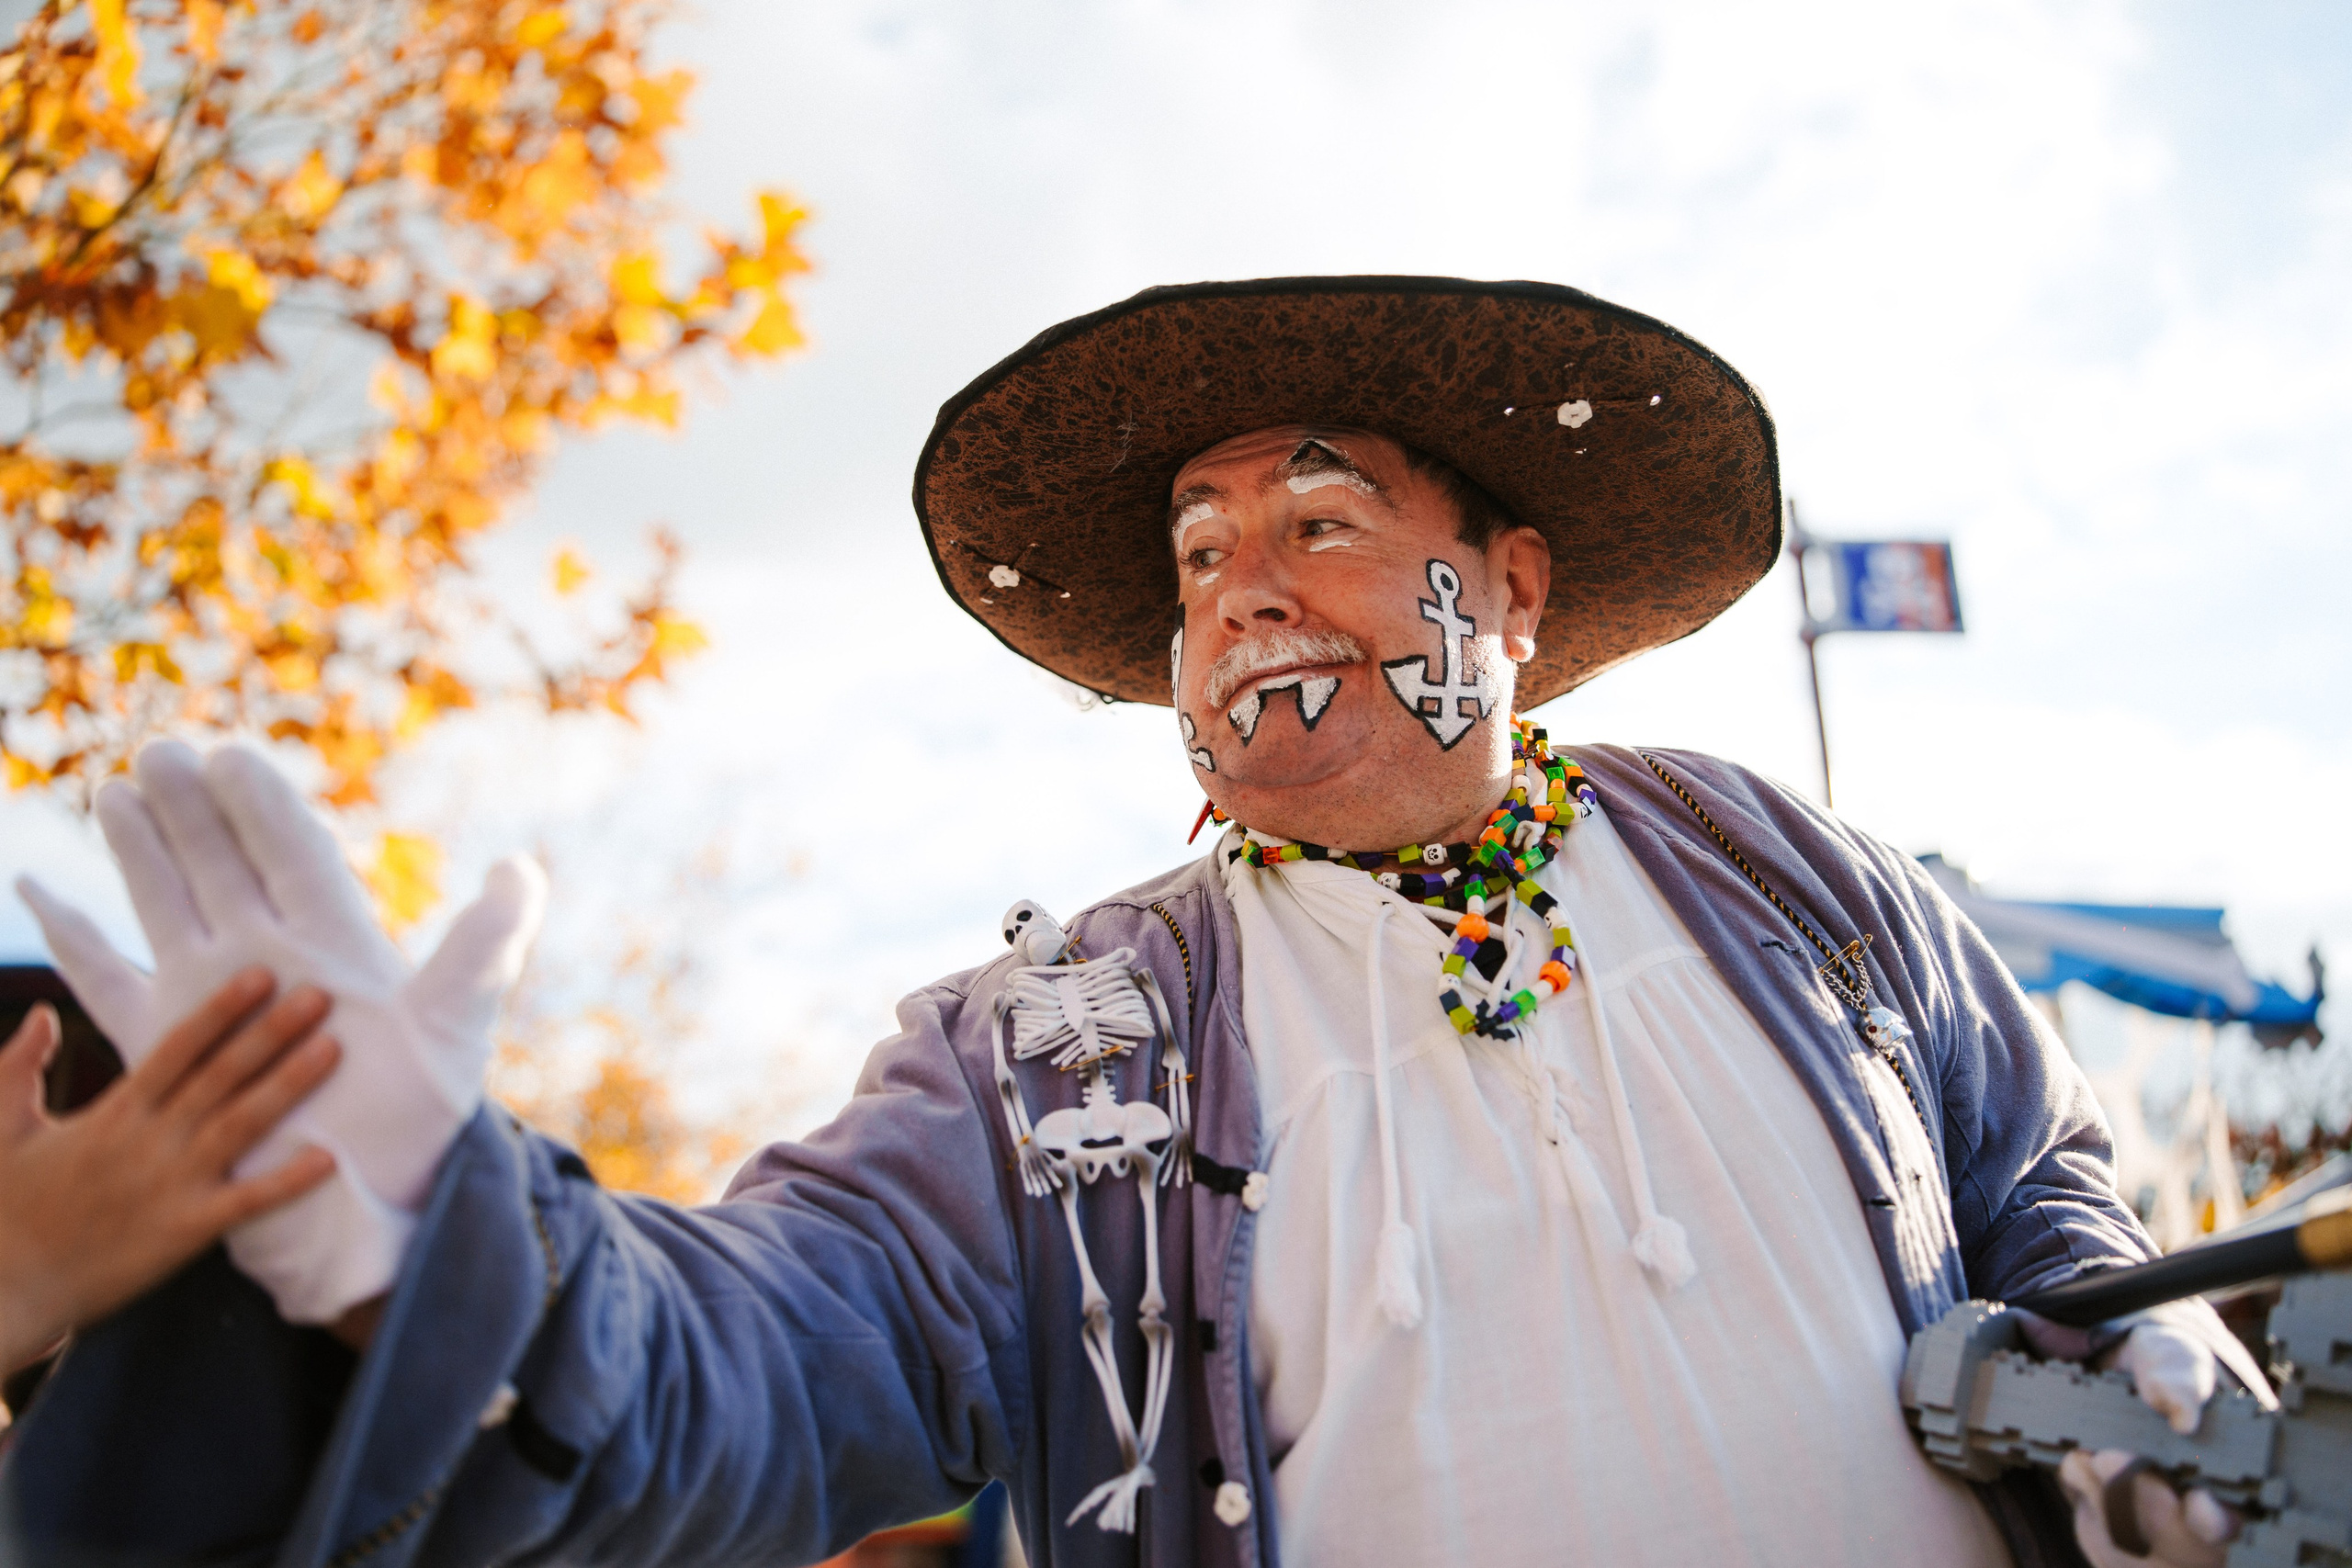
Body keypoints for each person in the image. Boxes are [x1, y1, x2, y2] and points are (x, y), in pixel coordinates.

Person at [0, 278, 2268, 1567]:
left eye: (1320, 517)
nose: (1243, 588)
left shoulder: (1803, 878)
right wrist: (441, 1232)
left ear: (1520, 587)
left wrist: (2142, 1373)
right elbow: (786, 1343)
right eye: (1195, 556)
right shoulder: (1059, 1038)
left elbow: (2044, 1198)